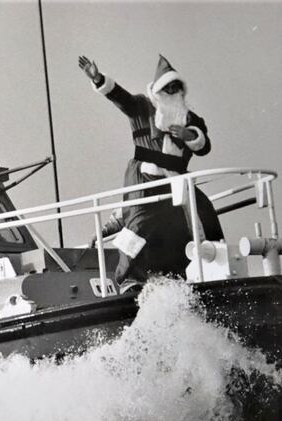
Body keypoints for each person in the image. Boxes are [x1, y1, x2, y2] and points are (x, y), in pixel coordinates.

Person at [78, 54, 223, 287]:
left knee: (202, 215)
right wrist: (98, 78)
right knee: (139, 224)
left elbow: (204, 146)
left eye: (176, 87)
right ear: (157, 90)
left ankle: (200, 273)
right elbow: (119, 96)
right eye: (167, 87)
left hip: (176, 179)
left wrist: (189, 135)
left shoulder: (191, 118)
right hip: (145, 176)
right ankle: (127, 279)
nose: (172, 91)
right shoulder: (141, 107)